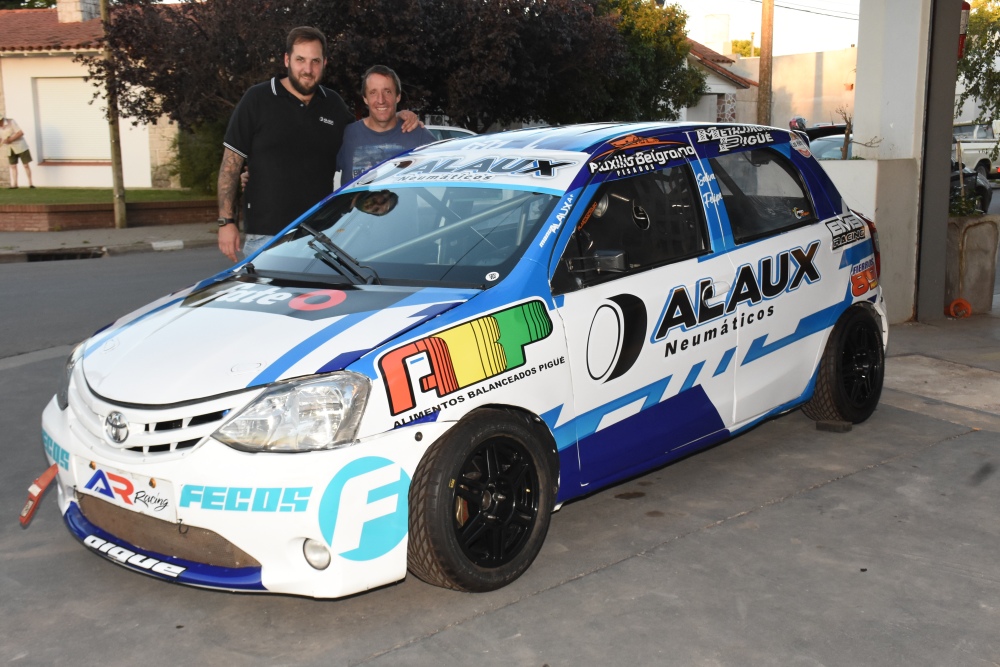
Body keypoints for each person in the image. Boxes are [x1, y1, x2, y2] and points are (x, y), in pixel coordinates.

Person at [217, 27, 422, 262]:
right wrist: (226, 221)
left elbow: (366, 134)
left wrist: (402, 116)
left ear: (324, 62)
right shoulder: (257, 99)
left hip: (320, 236)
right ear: (287, 60)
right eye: (300, 60)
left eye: (315, 61)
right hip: (267, 238)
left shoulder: (333, 104)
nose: (308, 69)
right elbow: (230, 166)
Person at [337, 65, 435, 182]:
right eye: (373, 92)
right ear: (365, 98)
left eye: (387, 92)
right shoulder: (346, 136)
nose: (381, 100)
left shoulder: (419, 136)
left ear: (397, 96)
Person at [0, 114, 35, 189]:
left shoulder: (11, 122)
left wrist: (10, 139)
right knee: (13, 166)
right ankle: (15, 184)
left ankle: (30, 183)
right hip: (10, 148)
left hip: (20, 146)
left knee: (25, 165)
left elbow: (20, 133)